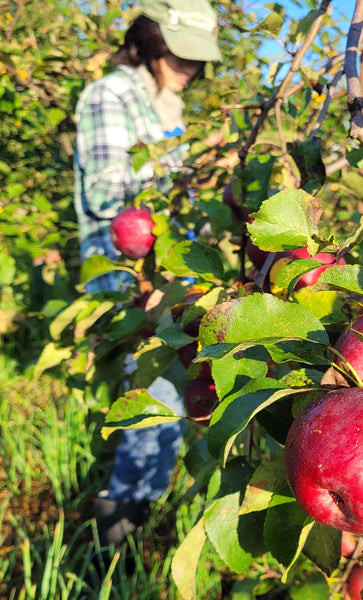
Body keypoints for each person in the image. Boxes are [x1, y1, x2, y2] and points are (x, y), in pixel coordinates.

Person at [73, 0, 221, 546]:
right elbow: (106, 191)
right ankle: (116, 529)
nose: (190, 68)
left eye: (197, 60)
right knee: (156, 391)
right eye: (180, 55)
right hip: (128, 273)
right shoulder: (110, 95)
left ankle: (138, 515)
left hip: (172, 272)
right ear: (153, 40)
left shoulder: (166, 105)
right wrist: (189, 162)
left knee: (175, 388)